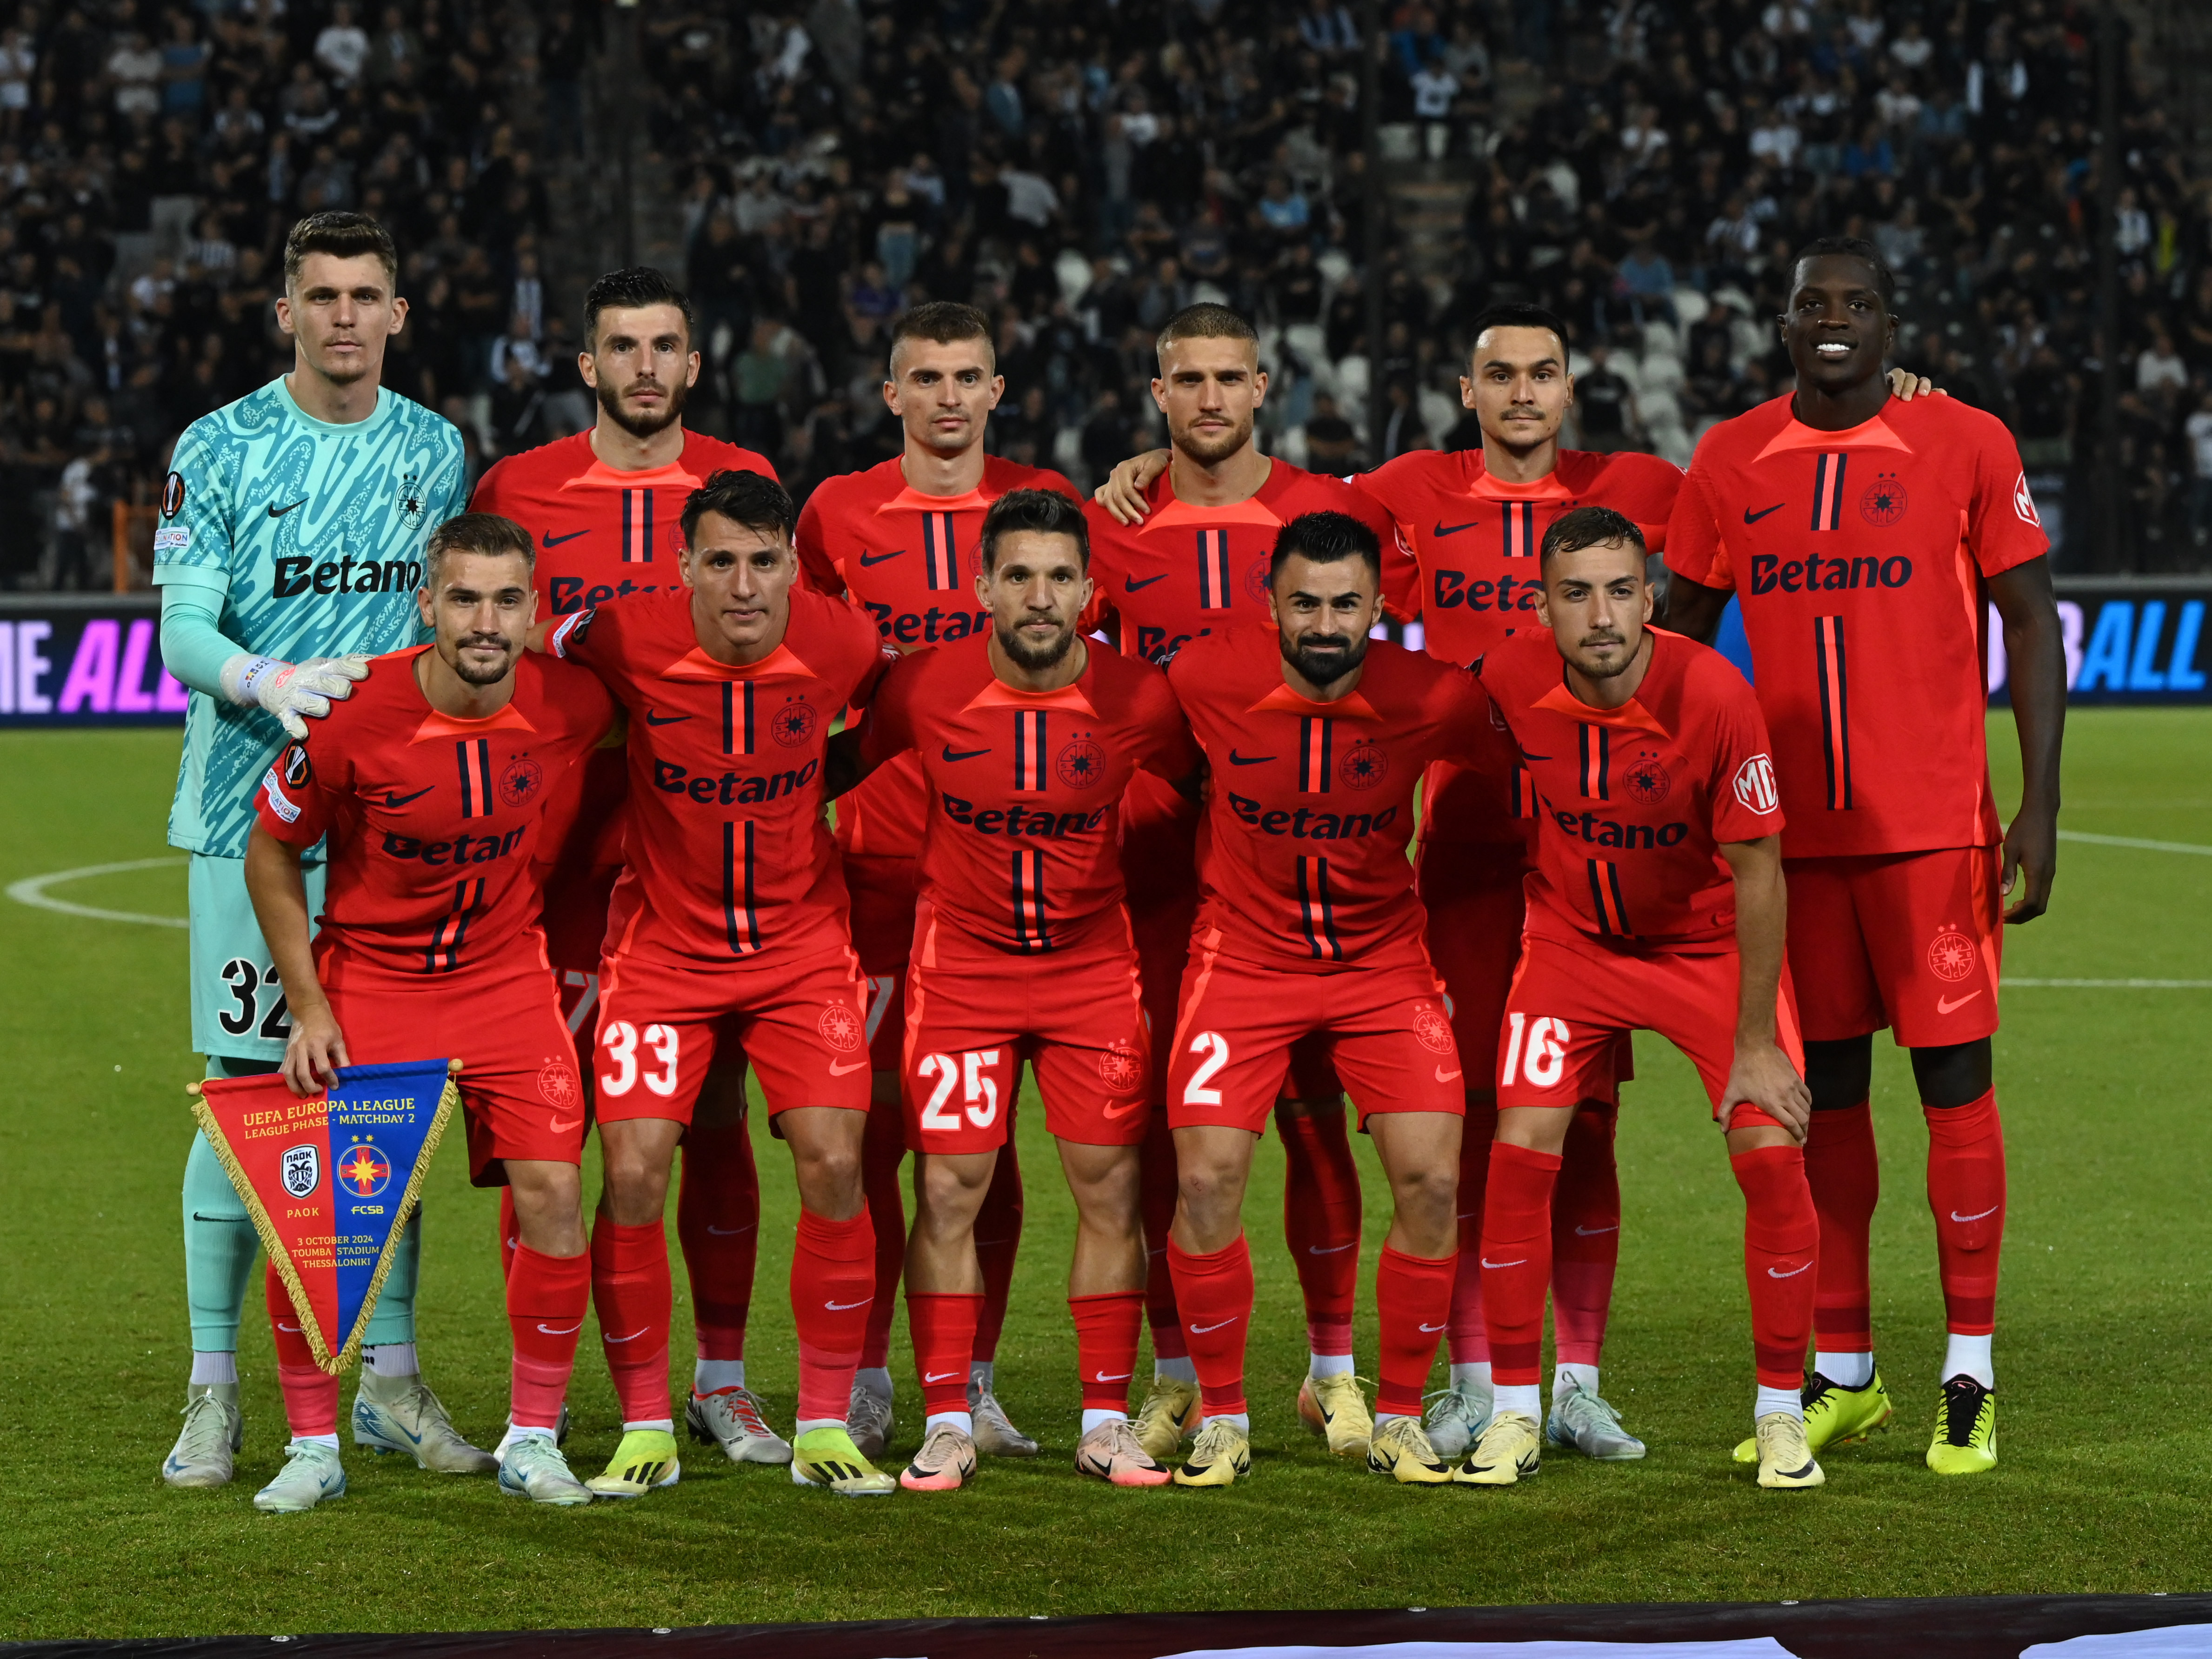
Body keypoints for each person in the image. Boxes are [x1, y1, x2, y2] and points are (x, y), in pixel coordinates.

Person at [1096, 302, 1939, 1461]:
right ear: (1468, 391)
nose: (1522, 393)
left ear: (1569, 387)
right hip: (1457, 859)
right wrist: (1157, 467)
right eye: (1500, 375)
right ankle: (1475, 1383)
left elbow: (1765, 464)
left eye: (1543, 372)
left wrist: (1884, 397)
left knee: (1582, 1121)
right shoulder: (1403, 492)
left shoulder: (1640, 486)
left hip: (1590, 856)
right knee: (1475, 1127)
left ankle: (1575, 1381)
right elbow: (1291, 521)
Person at [1662, 237, 2065, 1477]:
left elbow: (2029, 622)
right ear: (1782, 326)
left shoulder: (1966, 442)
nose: (1832, 319)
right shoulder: (1727, 459)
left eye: (1857, 304)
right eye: (1811, 303)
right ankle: (1845, 1371)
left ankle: (1968, 1374)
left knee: (1954, 1092)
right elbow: (1677, 639)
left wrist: (2038, 805)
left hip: (1931, 835)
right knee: (1824, 1100)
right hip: (1789, 849)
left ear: (1891, 329)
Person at [153, 211, 478, 1491]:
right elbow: (181, 630)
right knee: (250, 1085)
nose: (345, 315)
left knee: (387, 1097)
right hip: (247, 819)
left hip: (392, 827)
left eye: (365, 295)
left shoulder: (434, 449)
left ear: (397, 313)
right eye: (322, 295)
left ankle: (390, 1384)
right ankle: (213, 1389)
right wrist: (268, 678)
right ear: (286, 312)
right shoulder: (220, 444)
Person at [471, 267, 789, 1469]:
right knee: (543, 1136)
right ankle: (541, 1395)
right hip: (548, 864)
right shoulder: (519, 488)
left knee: (710, 1121)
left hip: (697, 862)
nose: (644, 366)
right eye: (622, 346)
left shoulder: (742, 480)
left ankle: (719, 1383)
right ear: (587, 364)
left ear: (693, 365)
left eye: (664, 346)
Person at [242, 513, 616, 1512]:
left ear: (533, 612)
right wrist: (309, 1006)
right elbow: (270, 851)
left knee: (553, 1192)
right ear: (427, 605)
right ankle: (312, 1444)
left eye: (506, 600)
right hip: (373, 985)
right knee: (325, 1223)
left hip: (506, 982)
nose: (485, 621)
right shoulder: (351, 714)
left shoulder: (573, 702)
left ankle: (532, 1438)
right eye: (464, 598)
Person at [1084, 304, 1402, 1468]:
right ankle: (1178, 1376)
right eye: (1188, 380)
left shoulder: (1336, 513)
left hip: (1305, 877)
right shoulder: (1111, 525)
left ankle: (1331, 1371)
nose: (1210, 398)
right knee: (1167, 1141)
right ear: (1158, 392)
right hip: (1157, 876)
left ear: (1264, 386)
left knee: (1317, 1131)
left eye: (1229, 377)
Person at [542, 468, 900, 1498]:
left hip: (801, 949)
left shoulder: (842, 639)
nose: (743, 586)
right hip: (661, 951)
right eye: (721, 562)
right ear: (684, 566)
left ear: (792, 566)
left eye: (763, 562)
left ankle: (823, 1425)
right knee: (635, 1171)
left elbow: (898, 710)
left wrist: (826, 775)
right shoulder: (622, 633)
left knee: (836, 1160)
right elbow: (537, 646)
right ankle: (644, 1426)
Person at [831, 488, 1198, 1491]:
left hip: (1091, 972)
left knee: (1110, 1189)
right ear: (982, 587)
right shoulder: (921, 687)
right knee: (948, 1189)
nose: (1041, 597)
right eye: (1020, 576)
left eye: (1060, 577)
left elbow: (1207, 794)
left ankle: (1104, 1422)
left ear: (1089, 590)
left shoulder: (1142, 699)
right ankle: (947, 1419)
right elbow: (834, 769)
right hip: (962, 973)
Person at [1465, 504, 1821, 1491]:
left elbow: (1760, 871)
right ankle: (1514, 1410)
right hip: (1571, 945)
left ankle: (1780, 1413)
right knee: (1518, 1154)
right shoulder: (1505, 678)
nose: (1600, 615)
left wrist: (1756, 1040)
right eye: (1576, 594)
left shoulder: (1714, 694)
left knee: (1770, 1156)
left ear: (1650, 598)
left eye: (1620, 590)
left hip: (1705, 947)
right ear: (1543, 606)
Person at [1159, 509, 1514, 1490]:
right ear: (1270, 603)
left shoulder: (1436, 696)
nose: (1325, 624)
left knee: (1432, 1181)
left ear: (1378, 605)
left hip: (1381, 965)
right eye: (1305, 603)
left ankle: (1397, 1416)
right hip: (1242, 959)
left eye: (1345, 604)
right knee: (1204, 1183)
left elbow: (1534, 768)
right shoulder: (1202, 677)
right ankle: (1223, 1419)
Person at [794, 300, 1082, 1462]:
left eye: (968, 377)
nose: (949, 397)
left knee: (986, 1148)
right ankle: (866, 1375)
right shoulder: (837, 511)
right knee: (868, 1139)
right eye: (927, 378)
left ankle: (973, 1378)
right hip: (872, 878)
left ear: (997, 391)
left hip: (1004, 884)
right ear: (892, 394)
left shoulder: (1045, 505)